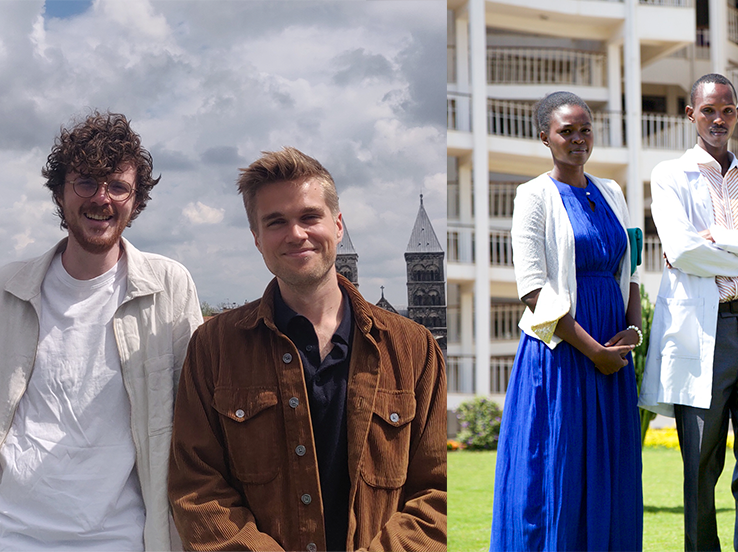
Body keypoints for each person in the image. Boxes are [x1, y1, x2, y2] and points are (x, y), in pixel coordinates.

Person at [168, 147, 447, 552]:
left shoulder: (413, 347)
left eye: (309, 216)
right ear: (257, 239)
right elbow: (197, 486)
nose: (296, 234)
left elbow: (439, 489)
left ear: (337, 225)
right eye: (276, 222)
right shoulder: (215, 347)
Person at [0, 111, 202, 551]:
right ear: (59, 192)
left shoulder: (169, 286)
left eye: (118, 186)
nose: (102, 199)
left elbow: (198, 418)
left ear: (136, 199)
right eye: (86, 182)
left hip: (124, 538)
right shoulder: (7, 291)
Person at [639, 73, 738, 552]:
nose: (719, 118)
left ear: (737, 115)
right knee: (701, 464)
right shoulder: (670, 176)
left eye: (727, 110)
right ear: (691, 115)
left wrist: (721, 239)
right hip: (707, 333)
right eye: (708, 110)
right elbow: (684, 252)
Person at [489, 91, 644, 552]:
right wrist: (593, 350)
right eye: (566, 131)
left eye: (585, 129)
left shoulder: (612, 191)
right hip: (563, 350)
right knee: (557, 464)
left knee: (610, 466)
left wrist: (631, 333)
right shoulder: (532, 196)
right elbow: (534, 290)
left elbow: (631, 269)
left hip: (612, 351)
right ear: (545, 137)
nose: (578, 139)